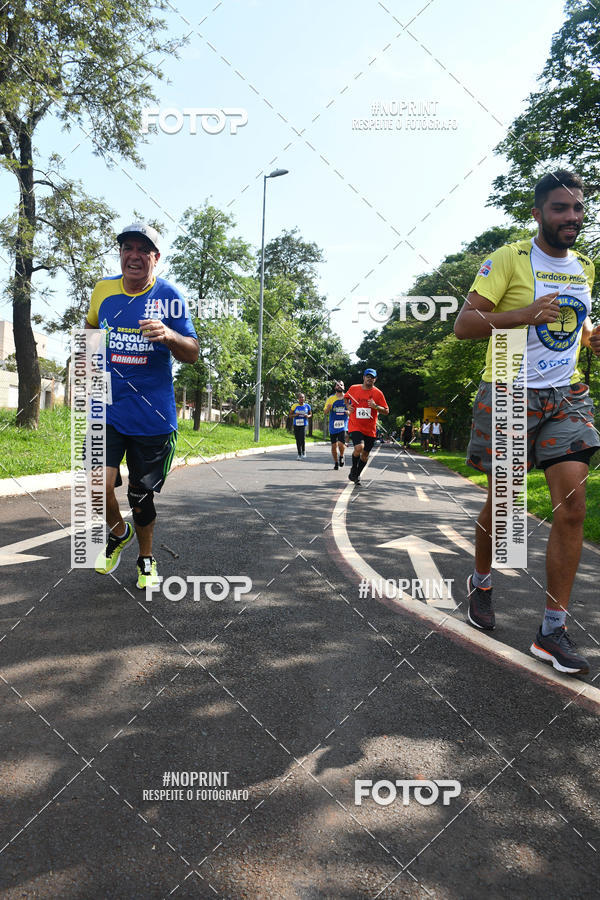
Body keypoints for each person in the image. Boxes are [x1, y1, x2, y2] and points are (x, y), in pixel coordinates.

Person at [454, 170, 600, 676]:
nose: (573, 218)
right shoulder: (508, 259)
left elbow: (570, 323)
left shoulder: (585, 267)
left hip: (567, 396)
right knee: (506, 503)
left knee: (573, 507)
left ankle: (551, 631)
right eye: (561, 208)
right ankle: (482, 580)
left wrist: (590, 335)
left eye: (578, 208)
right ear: (538, 213)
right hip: (511, 392)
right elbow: (465, 325)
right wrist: (524, 316)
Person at [85, 223, 199, 589]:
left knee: (139, 495)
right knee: (94, 486)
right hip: (109, 410)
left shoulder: (170, 297)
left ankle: (146, 558)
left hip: (153, 415)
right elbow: (90, 328)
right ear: (120, 253)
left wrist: (169, 335)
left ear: (155, 258)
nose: (133, 255)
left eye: (142, 250)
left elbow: (193, 352)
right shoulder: (103, 290)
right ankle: (119, 533)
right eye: (127, 248)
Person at [345, 368, 389, 485]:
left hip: (370, 428)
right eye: (368, 376)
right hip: (355, 425)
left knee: (365, 455)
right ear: (363, 377)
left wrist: (376, 407)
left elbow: (386, 410)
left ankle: (357, 475)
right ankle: (354, 468)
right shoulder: (354, 388)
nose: (370, 378)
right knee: (359, 448)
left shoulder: (378, 393)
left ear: (375, 379)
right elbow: (346, 398)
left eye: (372, 377)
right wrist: (348, 406)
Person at [324, 381, 349, 469]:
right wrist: (328, 408)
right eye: (337, 385)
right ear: (335, 388)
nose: (339, 386)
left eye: (341, 385)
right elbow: (325, 412)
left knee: (340, 444)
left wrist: (348, 412)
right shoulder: (331, 398)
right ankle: (335, 462)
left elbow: (352, 411)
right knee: (334, 445)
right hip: (333, 425)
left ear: (344, 387)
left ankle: (341, 456)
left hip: (343, 425)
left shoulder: (347, 398)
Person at [290, 392, 311, 458]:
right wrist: (295, 415)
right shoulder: (294, 406)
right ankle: (299, 454)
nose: (301, 399)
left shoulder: (307, 406)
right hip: (296, 424)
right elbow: (290, 415)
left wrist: (307, 416)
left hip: (304, 424)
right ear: (298, 399)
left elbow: (310, 414)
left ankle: (303, 451)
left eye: (303, 397)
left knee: (302, 438)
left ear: (304, 398)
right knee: (297, 439)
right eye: (300, 397)